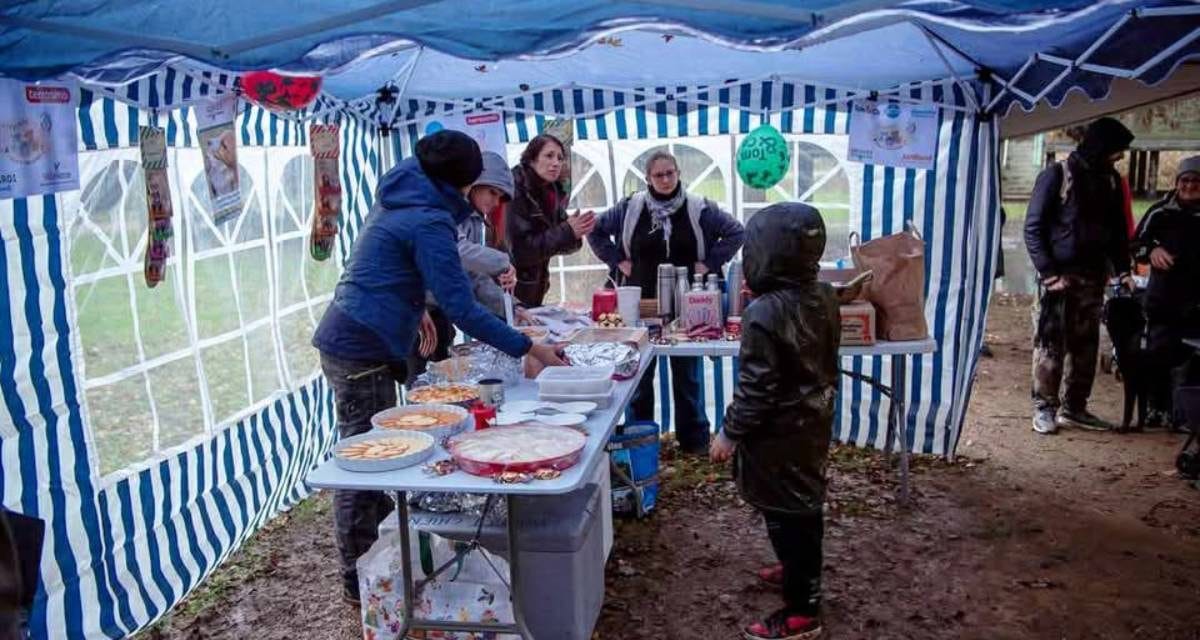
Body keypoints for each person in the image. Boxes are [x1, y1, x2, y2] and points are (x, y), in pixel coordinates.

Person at [311, 130, 564, 604]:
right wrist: (528, 348)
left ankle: (382, 562)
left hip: (361, 337)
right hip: (359, 342)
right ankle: (360, 579)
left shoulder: (404, 198)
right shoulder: (427, 219)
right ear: (463, 184)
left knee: (375, 456)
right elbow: (462, 306)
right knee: (364, 462)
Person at [709, 202, 839, 640]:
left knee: (791, 512)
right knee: (797, 507)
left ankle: (803, 610)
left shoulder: (764, 312)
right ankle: (795, 568)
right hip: (812, 424)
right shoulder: (823, 295)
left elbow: (756, 389)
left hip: (779, 435)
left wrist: (729, 432)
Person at [588, 150, 745, 454]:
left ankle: (694, 442)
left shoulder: (699, 208)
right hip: (640, 306)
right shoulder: (629, 208)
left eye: (670, 173)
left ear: (678, 174)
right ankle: (639, 440)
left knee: (687, 377)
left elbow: (736, 231)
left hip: (689, 308)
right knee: (638, 379)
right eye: (658, 175)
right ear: (647, 178)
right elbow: (594, 230)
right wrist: (617, 260)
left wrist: (709, 263)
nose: (665, 179)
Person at [1024, 117, 1135, 435]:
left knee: (1085, 347)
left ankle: (1075, 408)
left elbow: (1116, 233)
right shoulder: (1056, 175)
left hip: (1093, 279)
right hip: (1058, 283)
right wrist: (1048, 275)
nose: (1120, 157)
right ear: (1101, 146)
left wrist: (1122, 270)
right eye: (1117, 150)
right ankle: (1044, 408)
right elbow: (1032, 228)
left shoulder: (1111, 181)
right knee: (1050, 347)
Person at [407, 151, 523, 383]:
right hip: (417, 311)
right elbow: (458, 252)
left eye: (499, 196)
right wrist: (503, 262)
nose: (495, 202)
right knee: (422, 389)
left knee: (444, 385)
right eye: (492, 192)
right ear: (474, 183)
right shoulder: (443, 210)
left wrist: (512, 307)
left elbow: (473, 276)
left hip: (440, 314)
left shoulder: (475, 220)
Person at [1131, 155, 1200, 428]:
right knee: (1159, 355)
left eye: (1196, 181)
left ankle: (1186, 415)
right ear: (1176, 183)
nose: (1190, 185)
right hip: (1163, 300)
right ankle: (1155, 409)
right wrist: (1153, 250)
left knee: (1194, 361)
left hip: (1196, 303)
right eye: (1185, 180)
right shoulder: (1160, 212)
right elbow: (1136, 244)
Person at [507, 134, 594, 306]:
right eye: (549, 156)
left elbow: (560, 241)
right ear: (532, 159)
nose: (556, 163)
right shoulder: (515, 190)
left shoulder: (550, 192)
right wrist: (568, 231)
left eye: (560, 158)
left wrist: (574, 233)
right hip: (510, 291)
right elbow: (520, 251)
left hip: (534, 287)